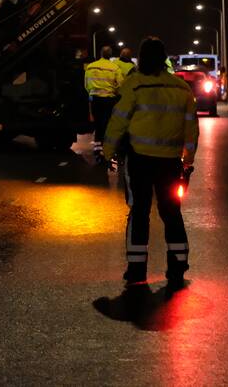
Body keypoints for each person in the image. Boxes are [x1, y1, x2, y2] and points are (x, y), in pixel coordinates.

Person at [103, 36, 198, 288]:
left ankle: (136, 270)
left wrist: (107, 152)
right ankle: (177, 266)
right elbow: (191, 128)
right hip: (170, 162)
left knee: (139, 212)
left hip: (139, 160)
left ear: (142, 58)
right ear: (164, 58)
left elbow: (118, 122)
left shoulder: (134, 85)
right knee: (171, 212)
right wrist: (188, 161)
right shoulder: (181, 88)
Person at [84, 46, 124, 163]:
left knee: (98, 127)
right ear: (110, 55)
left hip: (95, 100)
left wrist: (92, 93)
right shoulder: (115, 68)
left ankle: (97, 151)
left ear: (101, 54)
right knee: (107, 126)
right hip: (109, 101)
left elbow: (87, 85)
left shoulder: (91, 66)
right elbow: (121, 85)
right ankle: (107, 152)